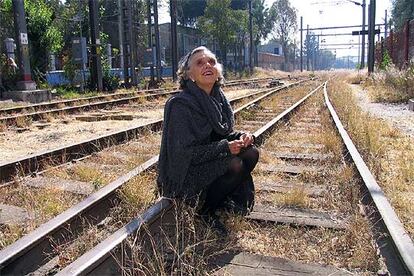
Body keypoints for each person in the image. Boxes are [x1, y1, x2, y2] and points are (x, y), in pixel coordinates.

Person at [157, 46, 259, 224]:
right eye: (199, 63)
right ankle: (205, 212)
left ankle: (221, 198)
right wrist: (225, 147)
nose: (207, 65)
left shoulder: (219, 99)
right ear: (189, 75)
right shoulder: (180, 105)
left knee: (252, 152)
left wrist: (243, 136)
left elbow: (222, 134)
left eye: (211, 62)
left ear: (218, 71)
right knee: (234, 164)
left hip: (207, 161)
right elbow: (183, 154)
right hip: (186, 172)